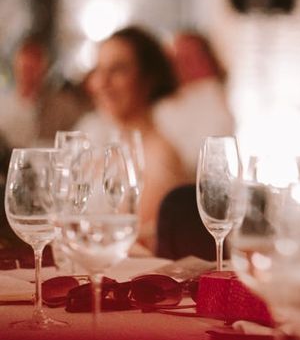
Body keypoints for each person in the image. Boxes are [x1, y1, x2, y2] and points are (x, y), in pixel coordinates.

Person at [77, 26, 188, 251]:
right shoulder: (102, 145)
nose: (102, 82)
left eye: (117, 70)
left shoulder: (159, 156)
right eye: (98, 70)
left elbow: (134, 244)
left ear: (149, 79)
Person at [153, 30, 235, 178]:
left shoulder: (212, 99)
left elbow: (202, 161)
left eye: (191, 59)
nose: (183, 67)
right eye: (177, 60)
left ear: (209, 61)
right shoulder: (165, 104)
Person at [0, 34, 87, 148]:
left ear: (44, 70)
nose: (28, 75)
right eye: (25, 68)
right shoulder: (3, 104)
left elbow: (77, 140)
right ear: (16, 67)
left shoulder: (62, 107)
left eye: (33, 69)